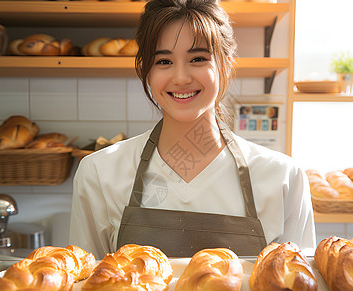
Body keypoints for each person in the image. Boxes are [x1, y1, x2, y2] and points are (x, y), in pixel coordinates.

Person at [70, 0, 315, 259]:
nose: (181, 77)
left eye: (198, 58)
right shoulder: (99, 174)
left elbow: (299, 289)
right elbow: (83, 287)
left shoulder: (284, 178)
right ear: (146, 71)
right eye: (163, 61)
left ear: (226, 65)